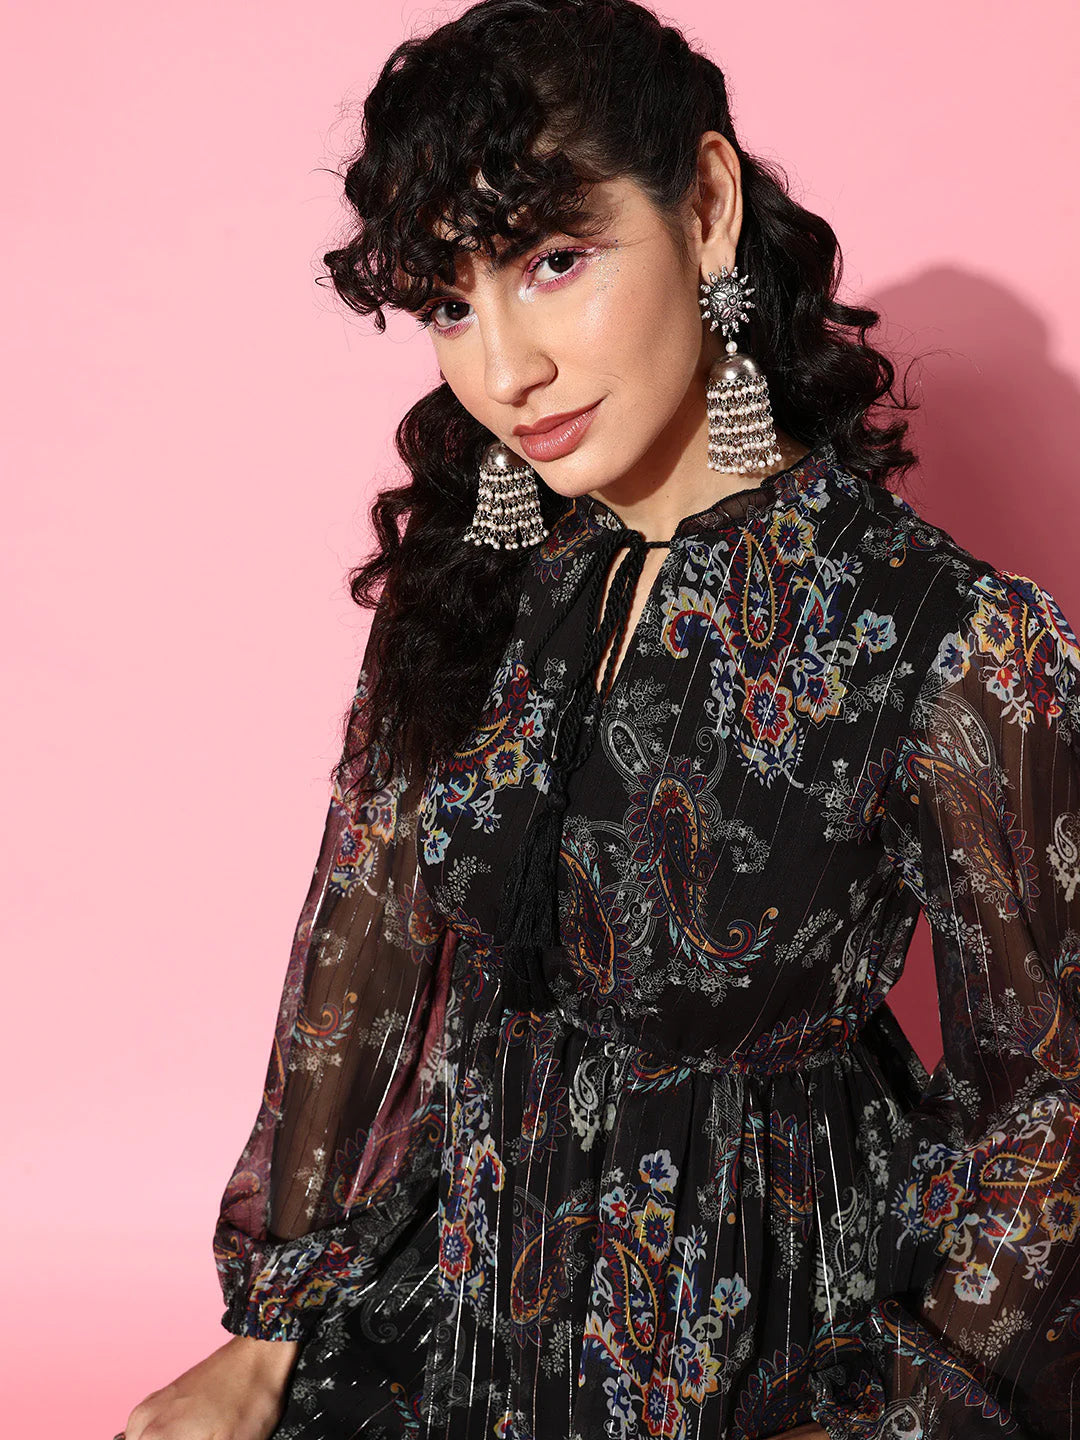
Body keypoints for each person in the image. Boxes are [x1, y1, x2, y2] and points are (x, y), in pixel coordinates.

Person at [119, 1, 1080, 1437]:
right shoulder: (467, 585)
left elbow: (1054, 1108)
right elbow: (361, 952)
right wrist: (270, 1325)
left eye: (551, 262)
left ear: (705, 207)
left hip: (777, 1349)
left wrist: (896, 1416)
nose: (504, 371)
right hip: (462, 1310)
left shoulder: (954, 641)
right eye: (450, 303)